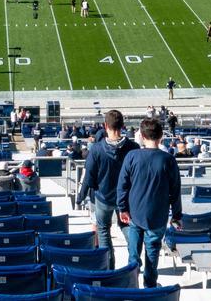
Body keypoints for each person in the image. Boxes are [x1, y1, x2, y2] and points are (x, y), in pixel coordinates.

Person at [117, 118, 183, 288]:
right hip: (156, 216)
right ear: (161, 136)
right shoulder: (168, 160)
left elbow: (122, 186)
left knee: (133, 255)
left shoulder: (132, 156)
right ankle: (149, 288)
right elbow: (175, 191)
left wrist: (122, 208)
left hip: (135, 214)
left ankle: (132, 287)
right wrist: (176, 216)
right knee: (152, 255)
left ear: (142, 136)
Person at [77, 109, 137, 269]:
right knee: (127, 228)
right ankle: (134, 264)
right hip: (125, 197)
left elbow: (89, 177)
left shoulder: (96, 149)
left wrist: (95, 190)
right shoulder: (133, 147)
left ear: (105, 126)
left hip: (104, 197)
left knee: (103, 230)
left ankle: (109, 269)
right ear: (123, 126)